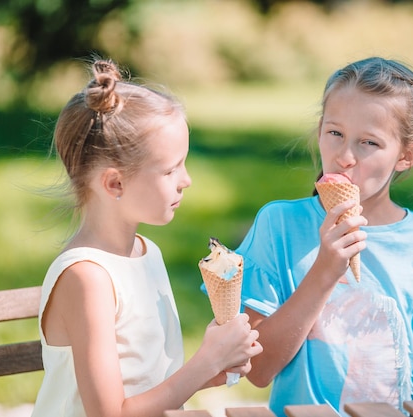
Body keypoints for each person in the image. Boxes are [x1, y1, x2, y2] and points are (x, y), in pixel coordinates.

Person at [235, 57, 413, 416]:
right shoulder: (280, 226)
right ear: (320, 130)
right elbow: (258, 370)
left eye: (368, 143)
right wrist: (324, 271)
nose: (345, 157)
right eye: (335, 133)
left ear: (407, 156)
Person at [32, 58, 262, 417]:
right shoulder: (87, 278)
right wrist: (204, 362)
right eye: (171, 169)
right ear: (115, 183)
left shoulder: (145, 252)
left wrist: (213, 369)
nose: (185, 180)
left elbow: (146, 383)